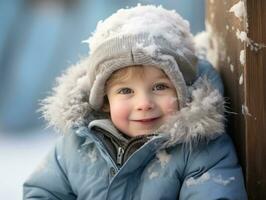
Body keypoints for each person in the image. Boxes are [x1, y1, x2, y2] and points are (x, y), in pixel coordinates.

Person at [23, 5, 247, 200]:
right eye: (126, 90)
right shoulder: (76, 147)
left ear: (184, 92)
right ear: (104, 101)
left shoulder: (200, 149)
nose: (144, 103)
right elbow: (43, 192)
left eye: (160, 87)